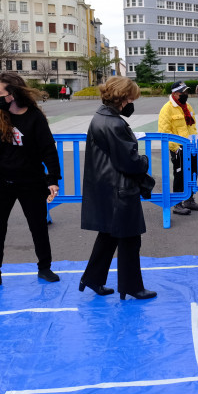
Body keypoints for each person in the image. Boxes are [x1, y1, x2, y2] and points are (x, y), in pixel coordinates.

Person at [0, 73, 62, 287]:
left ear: (12, 94)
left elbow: (48, 149)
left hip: (31, 182)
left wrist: (53, 179)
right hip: (3, 182)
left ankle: (45, 268)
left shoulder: (34, 117)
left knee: (38, 226)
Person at [80, 76, 157, 300]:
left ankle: (92, 278)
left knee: (108, 235)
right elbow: (130, 162)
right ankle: (131, 286)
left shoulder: (100, 118)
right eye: (132, 97)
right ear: (123, 98)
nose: (133, 102)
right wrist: (143, 159)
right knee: (130, 239)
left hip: (106, 185)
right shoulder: (114, 123)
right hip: (120, 189)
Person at [158, 81, 198, 215]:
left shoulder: (188, 106)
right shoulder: (167, 109)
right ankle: (177, 203)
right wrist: (175, 148)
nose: (186, 94)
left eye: (186, 91)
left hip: (191, 146)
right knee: (179, 175)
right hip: (178, 148)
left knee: (193, 172)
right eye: (183, 92)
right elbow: (164, 131)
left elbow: (192, 127)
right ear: (175, 94)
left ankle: (189, 200)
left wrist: (194, 142)